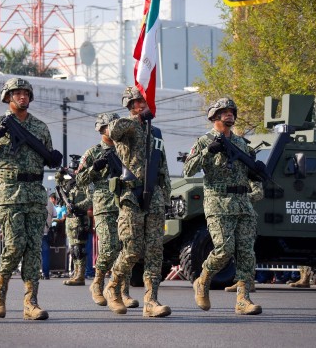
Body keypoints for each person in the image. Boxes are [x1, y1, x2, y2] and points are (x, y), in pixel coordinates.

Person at [0, 77, 62, 320]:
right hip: (10, 193)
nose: (22, 97)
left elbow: (48, 158)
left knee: (33, 248)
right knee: (13, 246)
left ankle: (30, 302)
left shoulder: (40, 127)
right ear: (8, 97)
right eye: (17, 93)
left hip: (35, 192)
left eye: (25, 93)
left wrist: (55, 158)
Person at [184, 98, 265, 315]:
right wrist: (208, 151)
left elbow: (251, 176)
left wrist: (257, 173)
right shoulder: (203, 141)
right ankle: (203, 280)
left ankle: (243, 299)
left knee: (247, 252)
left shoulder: (241, 143)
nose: (229, 114)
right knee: (223, 250)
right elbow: (188, 170)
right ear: (214, 116)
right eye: (224, 111)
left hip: (243, 203)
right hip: (218, 203)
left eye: (232, 111)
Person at [105, 87, 172, 318]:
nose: (142, 105)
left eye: (144, 102)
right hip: (131, 196)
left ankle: (151, 301)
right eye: (137, 102)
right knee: (132, 250)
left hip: (154, 197)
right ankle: (113, 286)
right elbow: (112, 131)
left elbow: (162, 167)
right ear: (130, 105)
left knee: (155, 251)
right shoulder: (127, 126)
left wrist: (166, 198)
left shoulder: (157, 133)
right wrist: (137, 118)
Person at [74, 111, 138, 310]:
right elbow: (78, 179)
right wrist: (94, 168)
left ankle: (122, 291)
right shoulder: (93, 152)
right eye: (106, 127)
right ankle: (98, 283)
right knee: (110, 247)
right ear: (100, 129)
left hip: (124, 203)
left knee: (126, 248)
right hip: (104, 206)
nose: (110, 130)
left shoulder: (125, 149)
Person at [59, 155, 91, 287]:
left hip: (80, 218)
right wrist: (60, 174)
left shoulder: (85, 183)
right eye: (70, 171)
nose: (72, 173)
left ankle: (81, 275)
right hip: (70, 220)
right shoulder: (68, 184)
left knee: (79, 249)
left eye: (74, 170)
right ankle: (76, 273)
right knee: (73, 249)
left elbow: (90, 199)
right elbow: (59, 188)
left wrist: (78, 206)